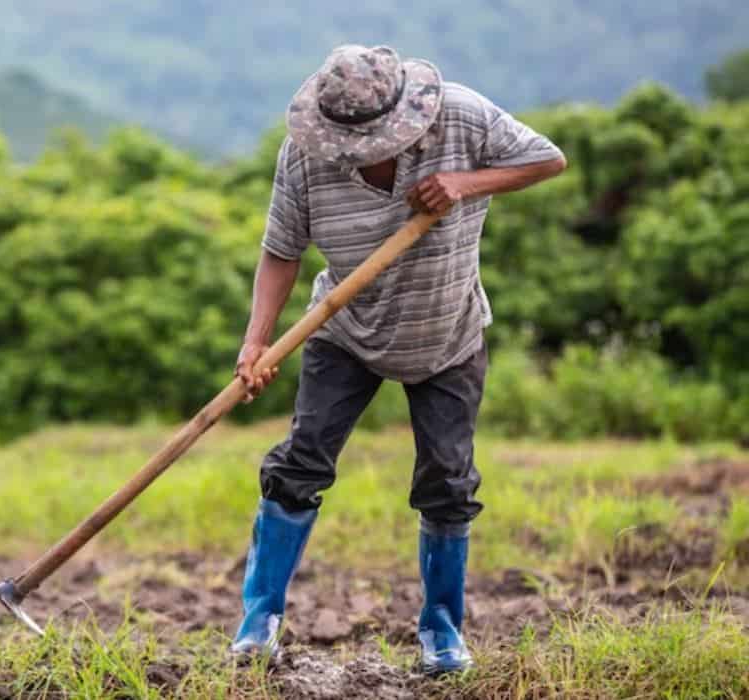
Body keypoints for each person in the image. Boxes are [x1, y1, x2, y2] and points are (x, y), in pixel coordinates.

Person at [230, 44, 567, 675]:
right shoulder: (305, 155)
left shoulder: (463, 117)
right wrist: (257, 341)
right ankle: (258, 624)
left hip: (448, 332)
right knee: (299, 463)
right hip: (344, 328)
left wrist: (465, 183)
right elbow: (281, 250)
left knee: (447, 480)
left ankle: (442, 633)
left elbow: (547, 159)